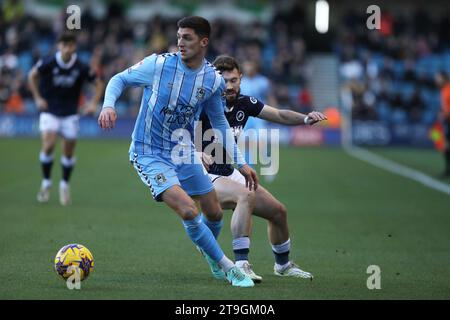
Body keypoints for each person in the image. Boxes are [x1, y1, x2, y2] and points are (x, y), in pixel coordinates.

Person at [98, 16, 258, 287]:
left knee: (215, 213)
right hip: (148, 152)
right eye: (179, 36)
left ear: (204, 42)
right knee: (188, 210)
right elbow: (118, 79)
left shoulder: (212, 81)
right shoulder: (158, 65)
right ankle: (228, 267)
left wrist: (240, 163)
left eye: (187, 38)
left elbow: (219, 122)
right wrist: (108, 105)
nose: (180, 42)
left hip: (182, 151)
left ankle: (209, 251)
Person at [198, 55, 327, 282]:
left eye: (233, 80)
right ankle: (241, 264)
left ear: (240, 79)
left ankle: (283, 265)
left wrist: (306, 119)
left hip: (228, 172)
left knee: (278, 212)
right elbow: (176, 131)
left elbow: (278, 114)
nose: (229, 86)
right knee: (245, 195)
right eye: (224, 81)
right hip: (203, 175)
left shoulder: (244, 103)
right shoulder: (202, 103)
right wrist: (195, 152)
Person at [28, 32, 104, 205]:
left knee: (68, 152)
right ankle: (46, 183)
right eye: (64, 45)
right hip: (50, 111)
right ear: (59, 46)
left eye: (70, 45)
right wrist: (38, 98)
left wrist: (93, 103)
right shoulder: (48, 62)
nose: (67, 48)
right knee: (48, 145)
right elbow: (32, 76)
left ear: (74, 47)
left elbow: (99, 83)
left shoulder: (81, 66)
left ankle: (64, 185)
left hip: (70, 113)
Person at [435, 71, 450, 177]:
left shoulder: (448, 90)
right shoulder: (443, 90)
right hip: (447, 121)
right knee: (444, 144)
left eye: (438, 78)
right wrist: (442, 113)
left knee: (445, 145)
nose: (436, 80)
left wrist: (445, 114)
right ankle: (447, 169)